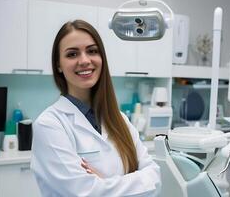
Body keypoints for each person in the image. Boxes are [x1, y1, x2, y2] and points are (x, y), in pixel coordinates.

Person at [30, 20, 161, 197]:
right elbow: (84, 193)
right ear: (58, 65)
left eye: (92, 51)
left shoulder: (119, 119)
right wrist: (134, 182)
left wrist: (103, 184)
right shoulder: (49, 125)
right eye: (72, 54)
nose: (84, 60)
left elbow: (155, 178)